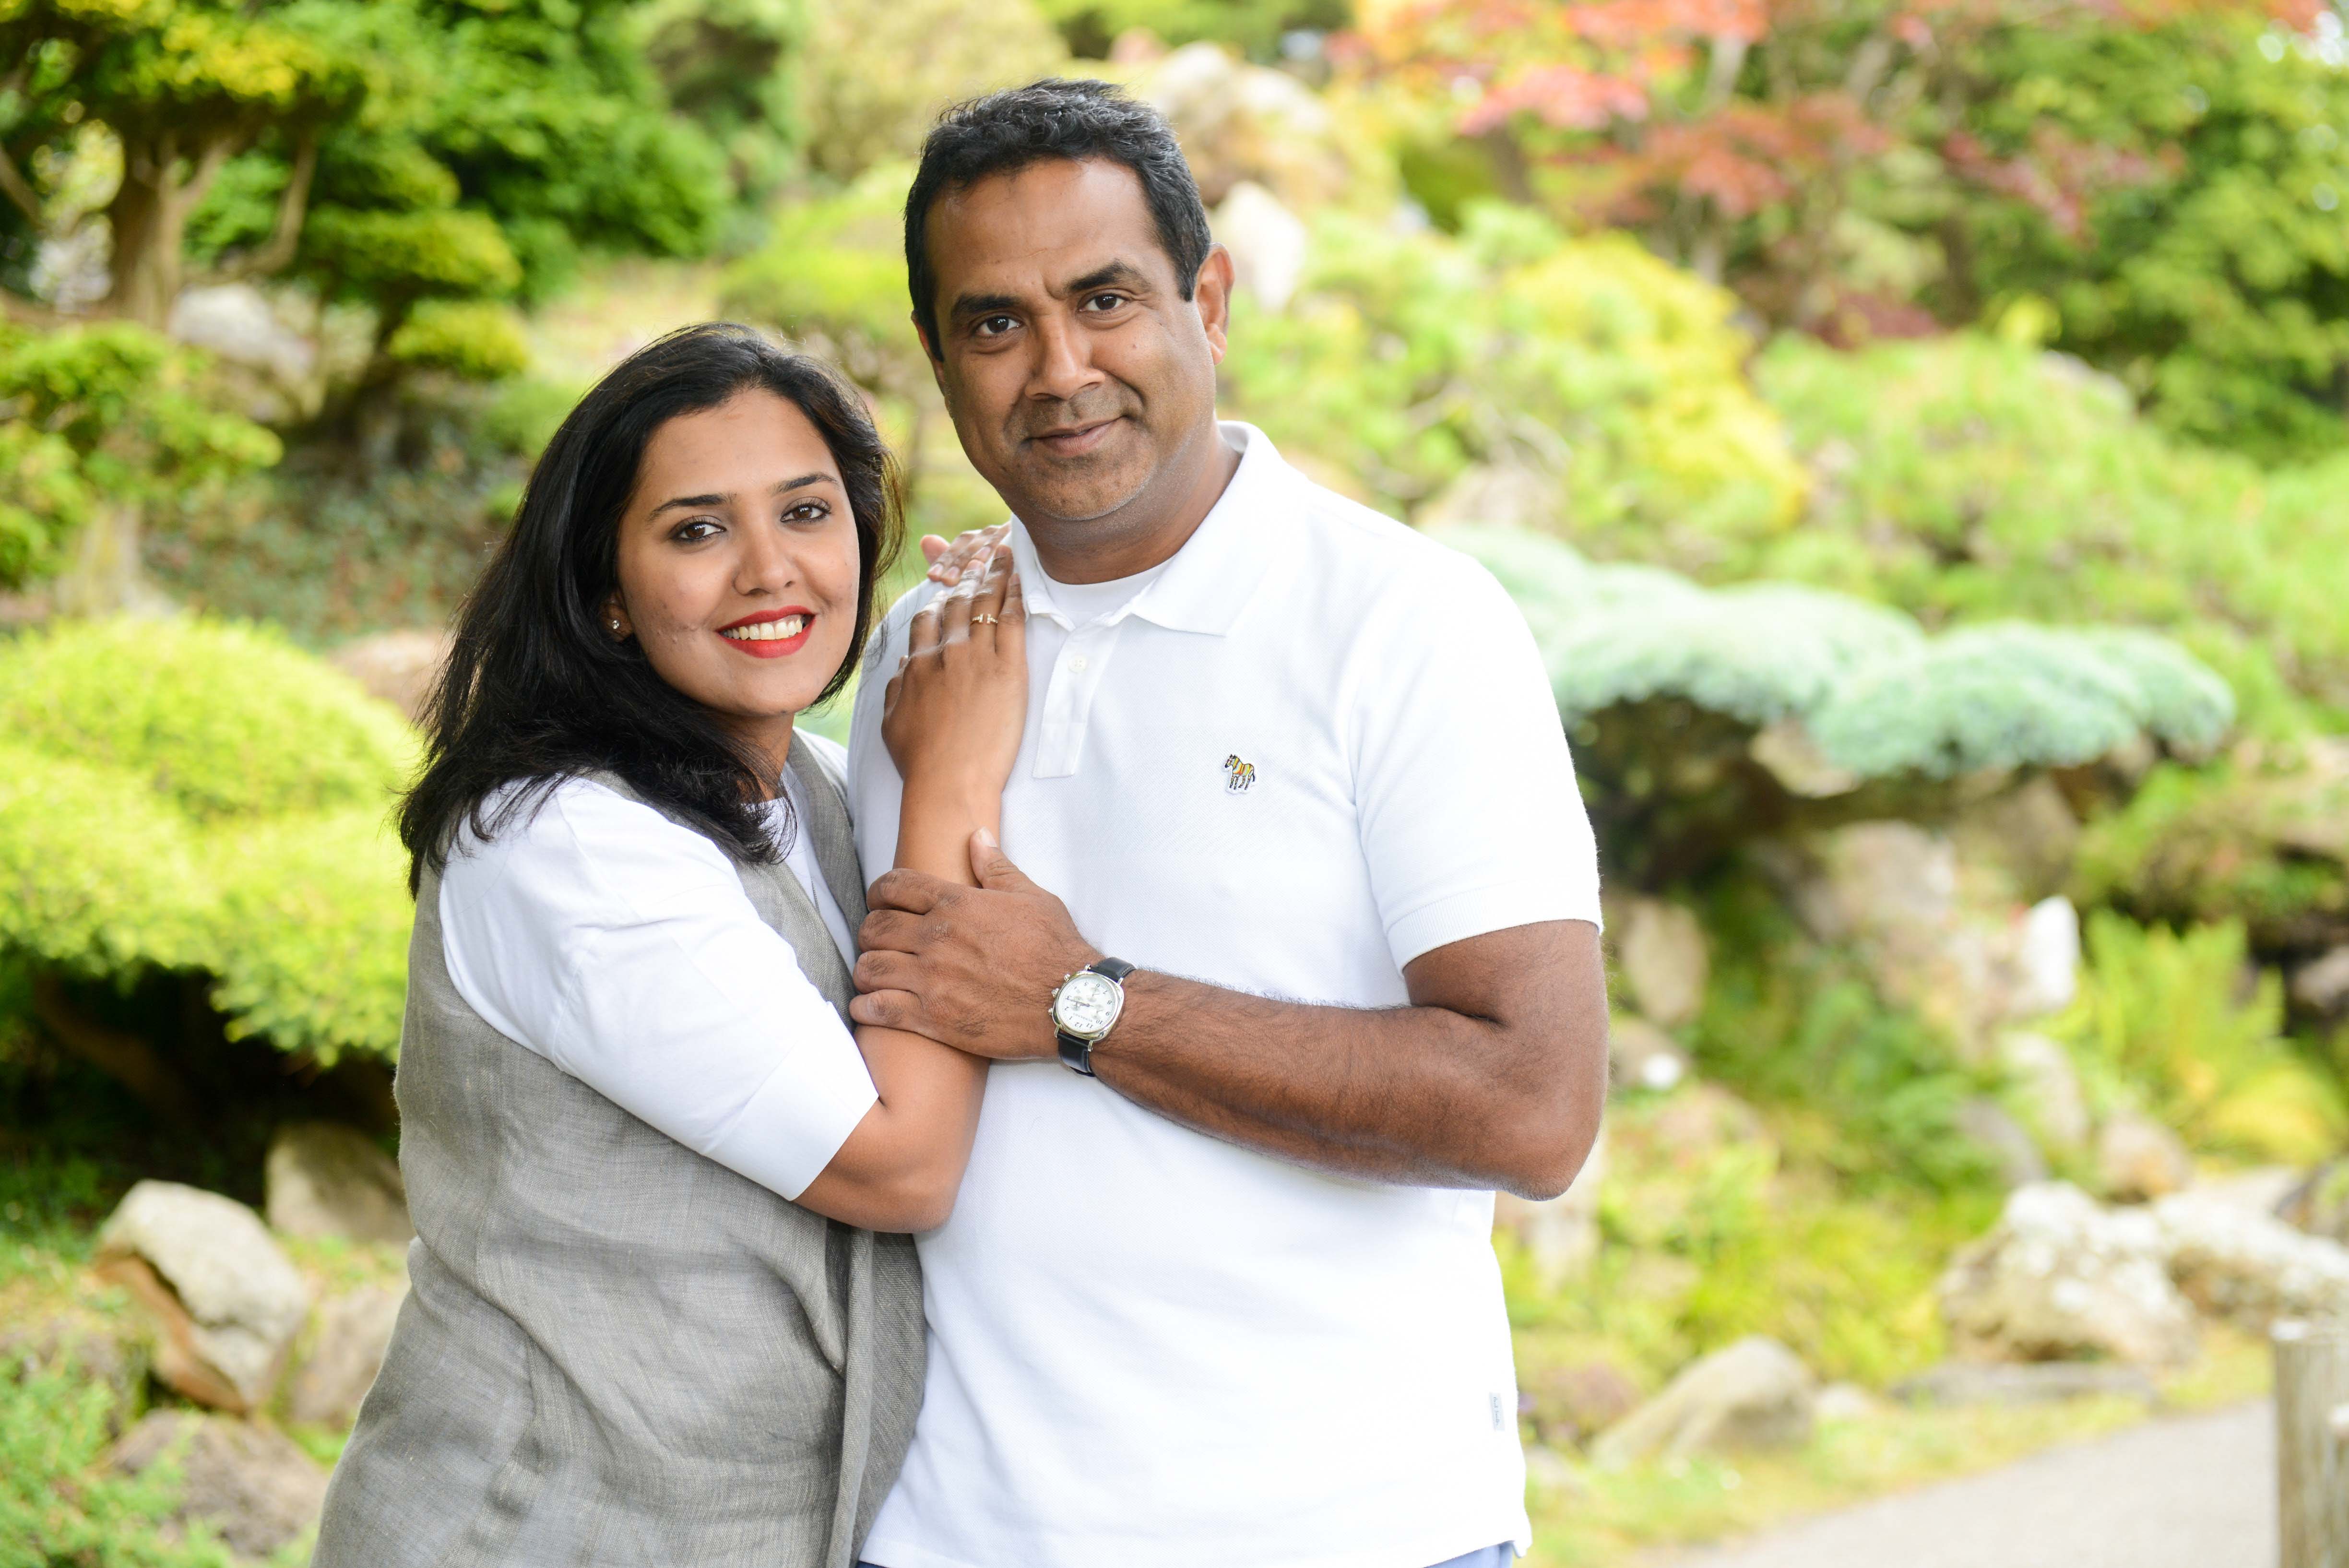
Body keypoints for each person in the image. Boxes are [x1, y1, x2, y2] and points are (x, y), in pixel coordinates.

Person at [844, 81, 1611, 1568]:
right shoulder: (916, 653)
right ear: (941, 361)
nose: (1060, 369)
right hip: (947, 1533)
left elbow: (1535, 1103)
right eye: (995, 324)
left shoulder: (1407, 623)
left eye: (1107, 298)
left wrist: (1081, 1004)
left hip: (1345, 1531)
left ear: (1209, 297)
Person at [313, 323, 1028, 1568]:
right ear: (605, 591)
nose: (771, 569)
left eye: (808, 511)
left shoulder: (795, 781)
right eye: (697, 530)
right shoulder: (563, 839)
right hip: (538, 1526)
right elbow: (899, 1164)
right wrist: (955, 780)